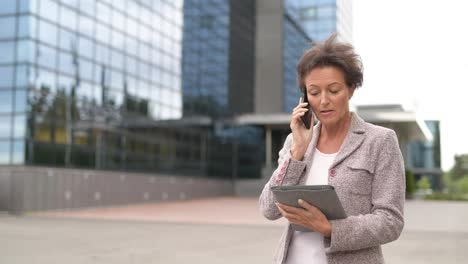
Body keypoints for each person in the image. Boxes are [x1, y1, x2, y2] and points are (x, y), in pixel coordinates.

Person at [259, 34, 405, 264]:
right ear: (304, 97)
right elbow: (269, 208)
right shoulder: (295, 142)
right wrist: (297, 151)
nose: (324, 100)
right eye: (314, 92)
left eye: (334, 90)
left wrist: (330, 228)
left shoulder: (380, 141)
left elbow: (391, 221)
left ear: (351, 89)